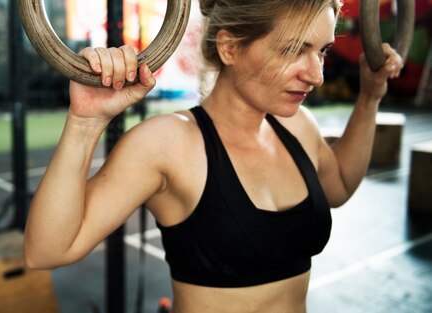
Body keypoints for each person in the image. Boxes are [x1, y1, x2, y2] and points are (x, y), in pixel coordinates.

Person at [24, 0, 403, 312]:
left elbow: (338, 186)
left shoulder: (297, 126)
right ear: (229, 47)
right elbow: (46, 250)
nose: (317, 75)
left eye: (321, 51)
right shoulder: (170, 143)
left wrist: (370, 96)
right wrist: (86, 123)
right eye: (293, 50)